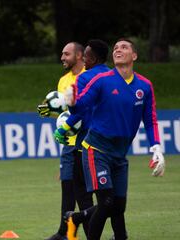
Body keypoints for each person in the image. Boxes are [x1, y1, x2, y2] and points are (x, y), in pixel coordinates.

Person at [59, 38, 165, 240]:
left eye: (124, 47)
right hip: (96, 149)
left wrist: (157, 149)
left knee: (118, 206)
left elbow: (150, 120)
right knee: (106, 201)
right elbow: (81, 106)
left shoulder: (145, 85)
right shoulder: (101, 80)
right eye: (115, 47)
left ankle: (77, 217)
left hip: (120, 154)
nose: (118, 49)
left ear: (134, 56)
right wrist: (71, 102)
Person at [55, 39, 128, 240]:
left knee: (85, 195)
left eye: (86, 56)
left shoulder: (85, 78)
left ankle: (81, 223)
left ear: (92, 58)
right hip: (113, 145)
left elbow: (80, 108)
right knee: (112, 197)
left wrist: (65, 127)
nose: (84, 59)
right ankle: (120, 235)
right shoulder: (115, 77)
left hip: (87, 145)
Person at [38, 42, 93, 240]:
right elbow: (66, 112)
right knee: (67, 188)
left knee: (88, 193)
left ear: (79, 56)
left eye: (66, 54)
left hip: (88, 142)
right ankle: (65, 233)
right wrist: (51, 113)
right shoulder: (63, 80)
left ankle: (96, 234)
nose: (62, 57)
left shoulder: (91, 76)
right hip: (69, 144)